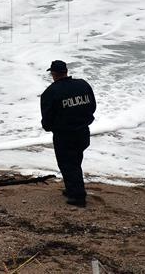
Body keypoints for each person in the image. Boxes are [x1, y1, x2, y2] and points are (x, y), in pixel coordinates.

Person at [40, 60, 96, 207]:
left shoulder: (50, 92)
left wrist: (51, 127)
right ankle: (72, 189)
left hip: (64, 135)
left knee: (68, 164)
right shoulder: (83, 85)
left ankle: (78, 197)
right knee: (75, 161)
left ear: (53, 74)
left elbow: (47, 120)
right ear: (66, 71)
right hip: (83, 132)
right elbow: (93, 106)